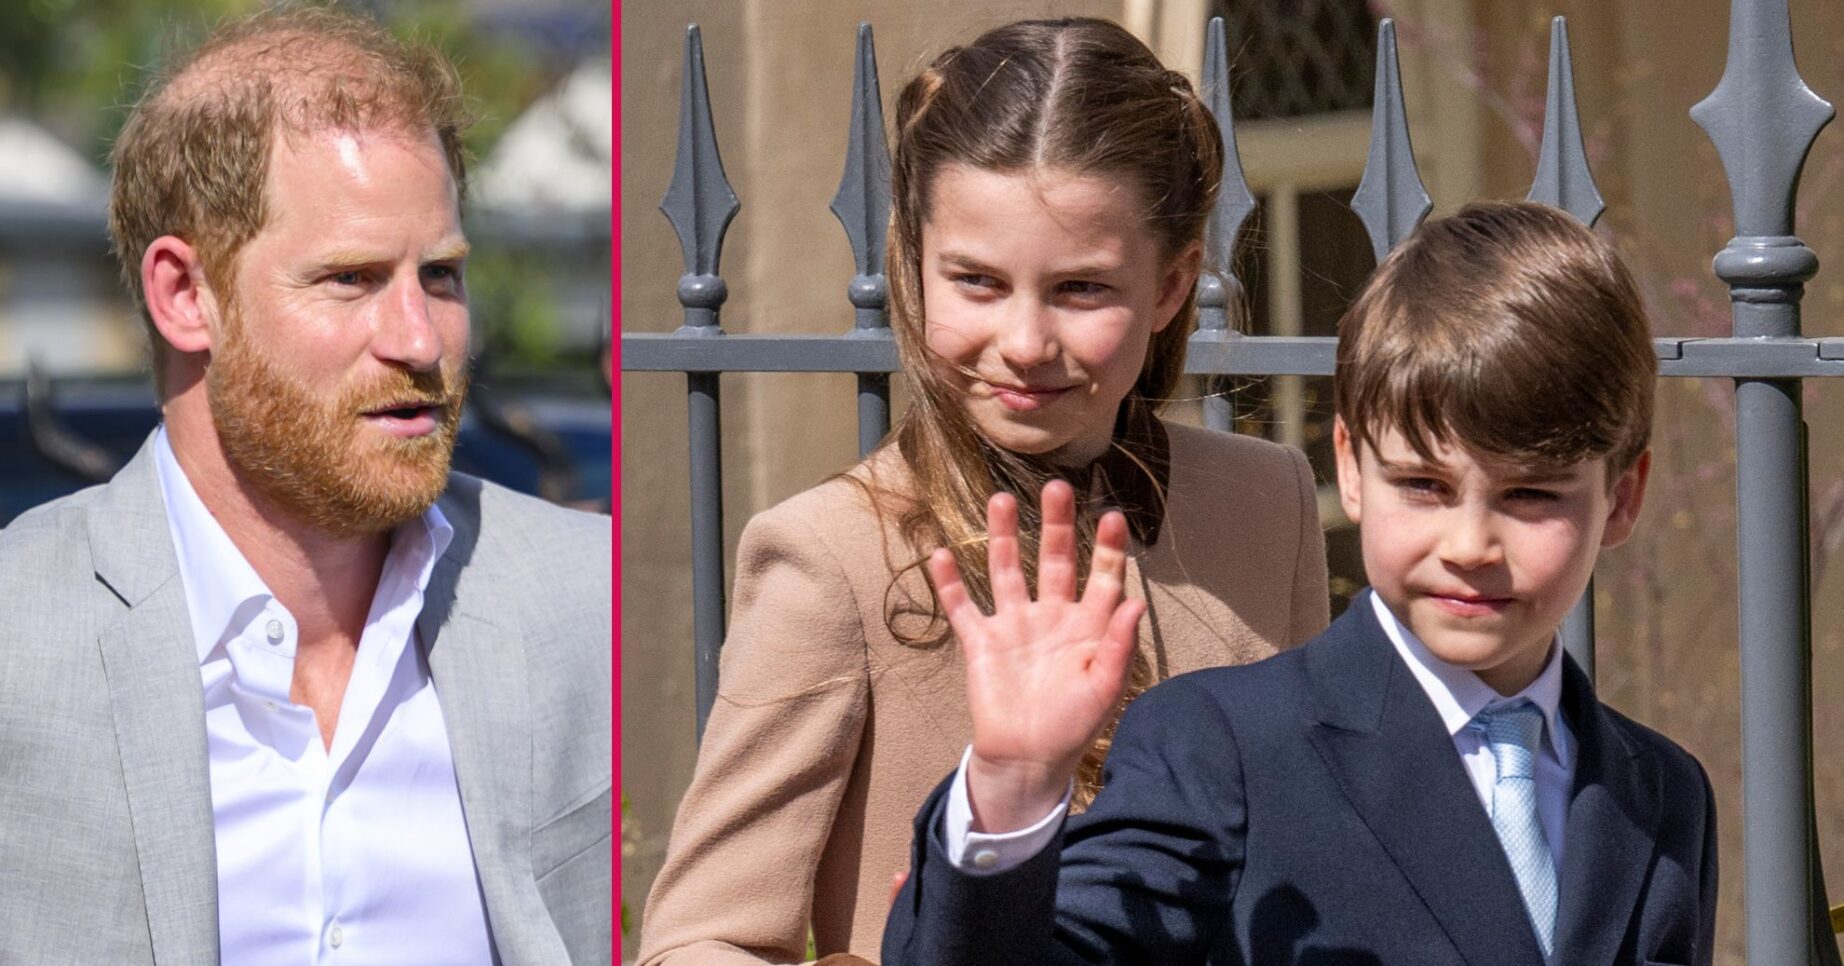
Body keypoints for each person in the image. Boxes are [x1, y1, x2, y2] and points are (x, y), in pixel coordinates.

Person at [638, 17, 1329, 965]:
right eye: (976, 281)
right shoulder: (830, 552)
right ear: (916, 269)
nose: (1025, 341)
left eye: (1081, 289)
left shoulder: (1268, 503)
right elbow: (699, 939)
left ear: (1173, 284)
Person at [881, 200, 1718, 965]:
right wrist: (1013, 789)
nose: (1470, 544)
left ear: (1624, 497)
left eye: (1530, 494)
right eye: (1423, 486)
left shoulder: (1664, 792)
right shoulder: (1225, 748)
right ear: (1351, 468)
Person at [0, 9, 610, 965]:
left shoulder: (592, 602)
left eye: (441, 276)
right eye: (351, 278)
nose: (419, 340)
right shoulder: (19, 638)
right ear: (184, 295)